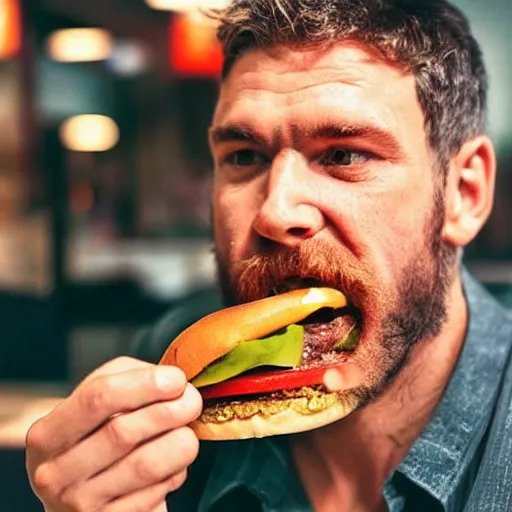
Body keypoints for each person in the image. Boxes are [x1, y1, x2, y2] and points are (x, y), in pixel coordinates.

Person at [25, 0, 512, 510]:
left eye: (343, 155)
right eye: (244, 157)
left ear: (465, 193)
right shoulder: (167, 377)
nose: (275, 212)